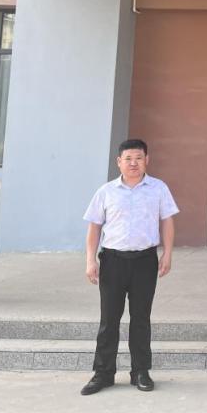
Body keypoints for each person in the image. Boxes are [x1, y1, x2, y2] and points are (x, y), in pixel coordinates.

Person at [80, 139, 178, 396]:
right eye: (128, 159)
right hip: (112, 261)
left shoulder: (158, 189)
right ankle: (103, 373)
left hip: (145, 261)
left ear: (147, 160)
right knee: (109, 320)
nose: (133, 163)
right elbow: (94, 227)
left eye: (139, 158)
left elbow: (167, 222)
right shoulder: (106, 191)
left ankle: (141, 371)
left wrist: (167, 254)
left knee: (141, 319)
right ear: (119, 162)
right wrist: (90, 260)